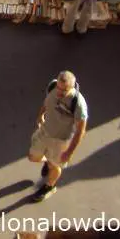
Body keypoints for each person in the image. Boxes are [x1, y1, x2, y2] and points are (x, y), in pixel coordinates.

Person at [28, 71, 89, 203]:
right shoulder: (53, 87)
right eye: (59, 88)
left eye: (64, 90)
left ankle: (49, 186)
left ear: (72, 87)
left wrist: (69, 152)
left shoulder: (78, 104)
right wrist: (40, 115)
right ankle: (48, 161)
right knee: (33, 157)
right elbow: (46, 102)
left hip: (60, 141)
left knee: (54, 165)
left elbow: (80, 131)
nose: (59, 92)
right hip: (45, 132)